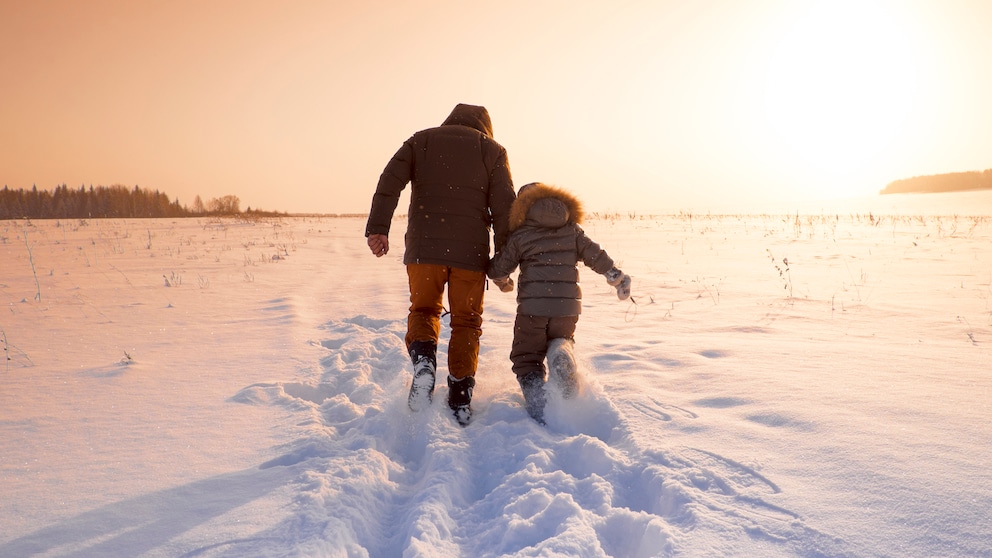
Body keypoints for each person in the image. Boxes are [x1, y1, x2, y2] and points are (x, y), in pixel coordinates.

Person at [365, 103, 516, 426]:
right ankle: (460, 393)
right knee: (466, 321)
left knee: (423, 310)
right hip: (469, 255)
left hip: (424, 251)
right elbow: (505, 208)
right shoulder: (492, 151)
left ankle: (423, 362)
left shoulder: (422, 141)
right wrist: (503, 261)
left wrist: (378, 227)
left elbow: (389, 182)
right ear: (485, 128)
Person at [487, 182, 631, 424]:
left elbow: (499, 268)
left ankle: (539, 405)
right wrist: (615, 275)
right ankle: (561, 351)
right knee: (560, 339)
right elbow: (595, 255)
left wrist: (500, 277)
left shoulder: (522, 235)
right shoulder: (572, 230)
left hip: (532, 310)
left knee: (526, 357)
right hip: (566, 309)